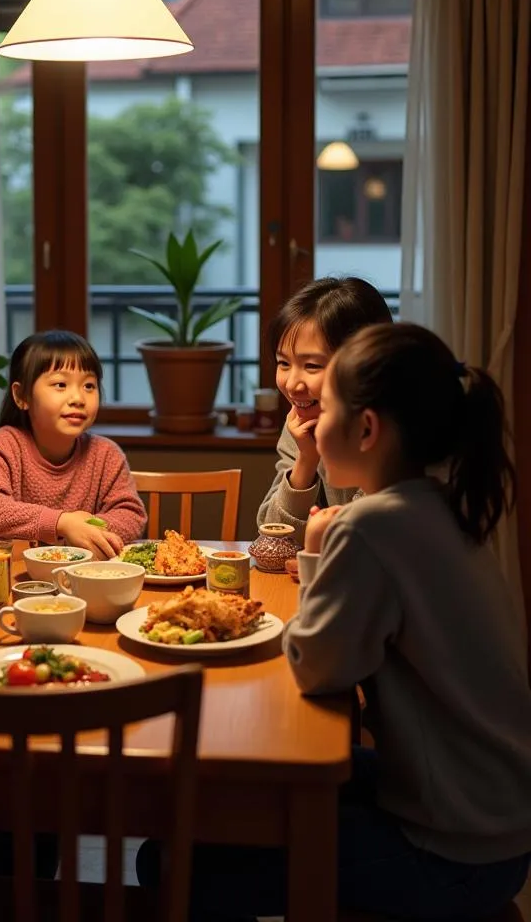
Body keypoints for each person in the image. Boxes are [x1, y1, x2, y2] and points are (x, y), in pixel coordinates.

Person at [139, 323, 531, 919]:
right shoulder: (444, 508)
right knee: (234, 805)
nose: (314, 424)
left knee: (171, 861)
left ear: (366, 429)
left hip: (450, 850)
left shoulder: (373, 526)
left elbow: (318, 668)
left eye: (327, 410)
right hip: (494, 819)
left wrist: (318, 551)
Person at [0, 330, 146, 559]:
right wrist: (62, 523)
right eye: (61, 384)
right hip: (12, 578)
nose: (78, 398)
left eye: (89, 386)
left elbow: (131, 515)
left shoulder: (106, 454)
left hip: (85, 578)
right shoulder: (3, 446)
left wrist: (84, 531)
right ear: (21, 396)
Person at [257, 276, 393, 544]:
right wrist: (306, 460)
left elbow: (371, 541)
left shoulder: (391, 431)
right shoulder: (302, 421)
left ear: (362, 363)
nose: (293, 384)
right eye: (283, 363)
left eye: (312, 366)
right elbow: (272, 539)